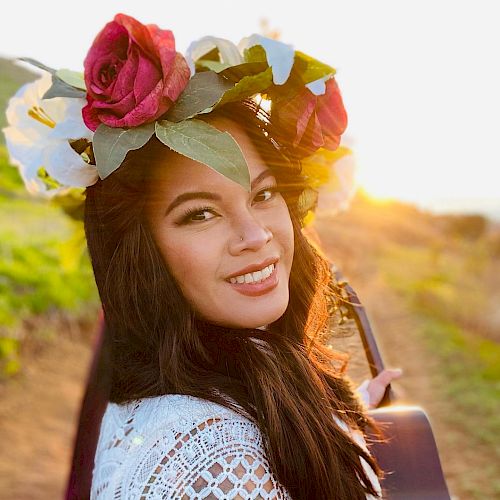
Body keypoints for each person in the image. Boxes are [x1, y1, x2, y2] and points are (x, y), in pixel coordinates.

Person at [4, 13, 402, 499]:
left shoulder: (213, 393)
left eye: (264, 194)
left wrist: (344, 419)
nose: (255, 235)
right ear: (141, 254)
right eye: (199, 215)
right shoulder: (218, 466)